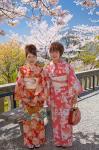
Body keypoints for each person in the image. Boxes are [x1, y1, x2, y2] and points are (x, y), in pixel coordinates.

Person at [44, 42, 83, 147]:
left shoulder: (67, 66)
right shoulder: (48, 68)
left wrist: (74, 96)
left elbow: (73, 81)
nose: (53, 54)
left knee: (66, 119)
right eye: (51, 51)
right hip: (54, 97)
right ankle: (58, 141)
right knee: (55, 120)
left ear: (60, 52)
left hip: (66, 96)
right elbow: (47, 83)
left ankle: (66, 141)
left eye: (56, 51)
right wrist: (46, 96)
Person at [15, 44, 47, 149]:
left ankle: (37, 141)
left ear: (36, 57)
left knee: (38, 121)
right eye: (29, 56)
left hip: (38, 100)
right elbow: (20, 85)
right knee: (28, 122)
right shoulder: (21, 70)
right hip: (26, 100)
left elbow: (42, 84)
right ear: (26, 57)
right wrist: (26, 99)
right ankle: (29, 141)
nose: (31, 59)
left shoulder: (41, 70)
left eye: (33, 56)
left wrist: (36, 97)